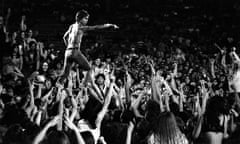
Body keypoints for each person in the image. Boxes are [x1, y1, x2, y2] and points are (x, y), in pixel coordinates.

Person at [60, 10, 119, 84]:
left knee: (65, 74)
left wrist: (68, 47)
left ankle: (56, 87)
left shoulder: (71, 26)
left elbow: (64, 37)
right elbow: (96, 27)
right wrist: (109, 25)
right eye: (86, 18)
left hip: (67, 52)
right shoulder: (81, 27)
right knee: (89, 68)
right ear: (80, 18)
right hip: (75, 51)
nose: (87, 20)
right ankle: (84, 85)